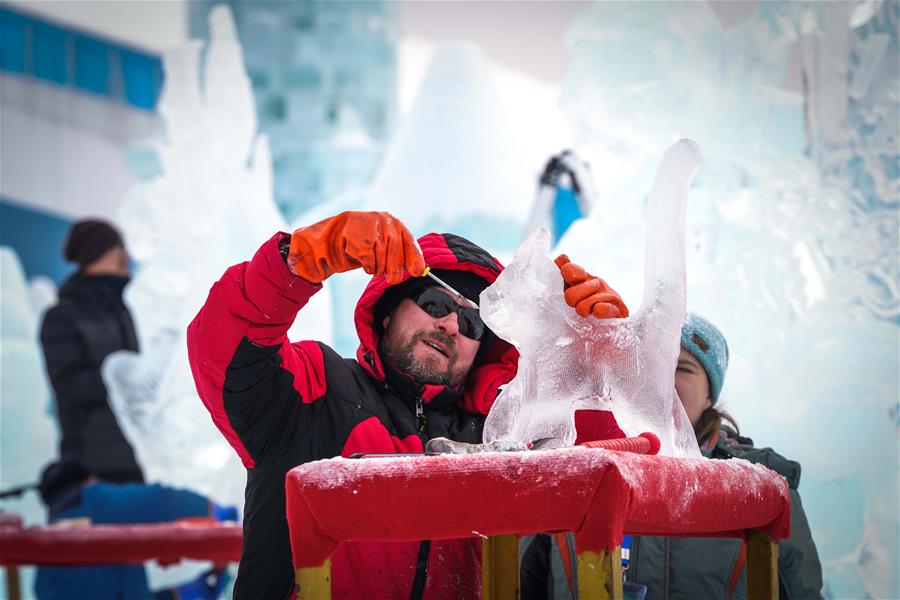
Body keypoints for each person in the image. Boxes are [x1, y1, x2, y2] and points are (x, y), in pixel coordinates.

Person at [187, 211, 628, 598]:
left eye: (473, 322)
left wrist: (590, 362)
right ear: (387, 312)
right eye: (434, 302)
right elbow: (224, 349)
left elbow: (600, 478)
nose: (451, 324)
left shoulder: (503, 432)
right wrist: (298, 261)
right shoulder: (316, 388)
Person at [520, 312, 824, 600]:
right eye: (651, 366)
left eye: (683, 368)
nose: (663, 380)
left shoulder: (762, 480)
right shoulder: (574, 469)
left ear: (710, 396)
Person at [33, 458, 235, 600]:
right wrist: (213, 512)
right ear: (89, 481)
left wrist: (190, 592)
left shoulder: (45, 570)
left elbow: (115, 590)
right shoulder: (89, 502)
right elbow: (158, 500)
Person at [40, 219, 143, 484]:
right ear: (100, 253)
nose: (126, 257)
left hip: (137, 459)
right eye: (118, 248)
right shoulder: (61, 317)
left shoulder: (124, 311)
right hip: (92, 468)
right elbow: (70, 386)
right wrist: (122, 376)